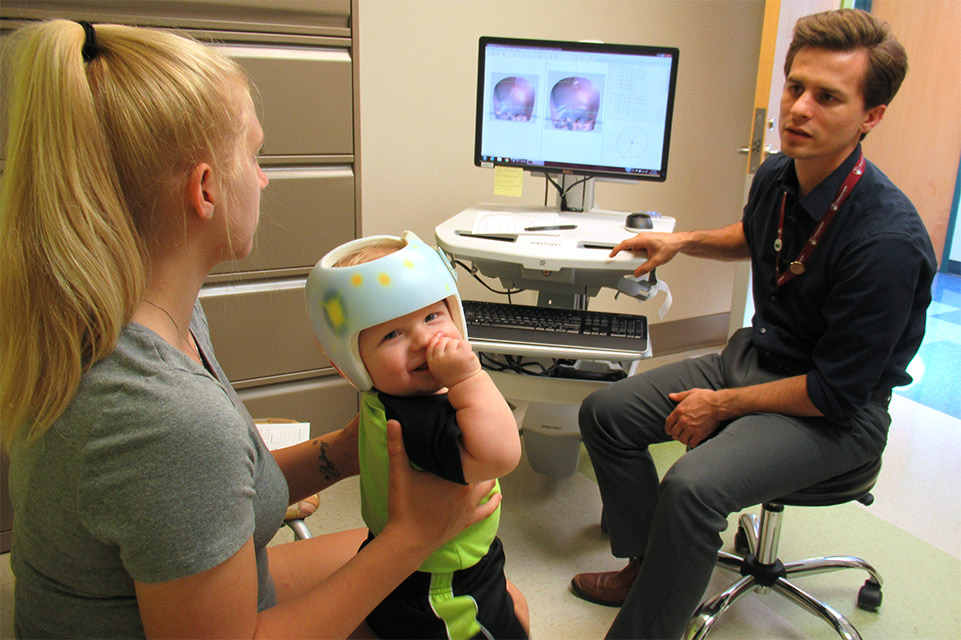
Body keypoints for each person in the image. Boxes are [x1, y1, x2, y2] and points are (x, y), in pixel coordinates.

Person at [0, 20, 500, 639]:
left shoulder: (132, 314)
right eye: (255, 156)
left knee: (481, 597)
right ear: (205, 188)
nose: (263, 179)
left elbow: (197, 495)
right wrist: (410, 540)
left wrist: (343, 453)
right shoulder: (166, 418)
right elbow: (190, 460)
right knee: (491, 610)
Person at [568, 9, 936, 639]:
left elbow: (833, 392)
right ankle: (650, 563)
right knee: (605, 413)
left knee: (691, 488)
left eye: (828, 97)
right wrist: (683, 240)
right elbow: (760, 237)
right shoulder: (779, 175)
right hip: (758, 359)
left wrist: (722, 405)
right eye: (795, 87)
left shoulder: (887, 243)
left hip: (837, 414)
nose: (799, 109)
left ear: (871, 117)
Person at [305, 232, 529, 639]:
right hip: (442, 582)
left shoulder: (385, 395)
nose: (425, 340)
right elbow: (501, 455)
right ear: (351, 362)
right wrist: (469, 376)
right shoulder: (418, 418)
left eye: (432, 317)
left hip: (411, 554)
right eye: (392, 334)